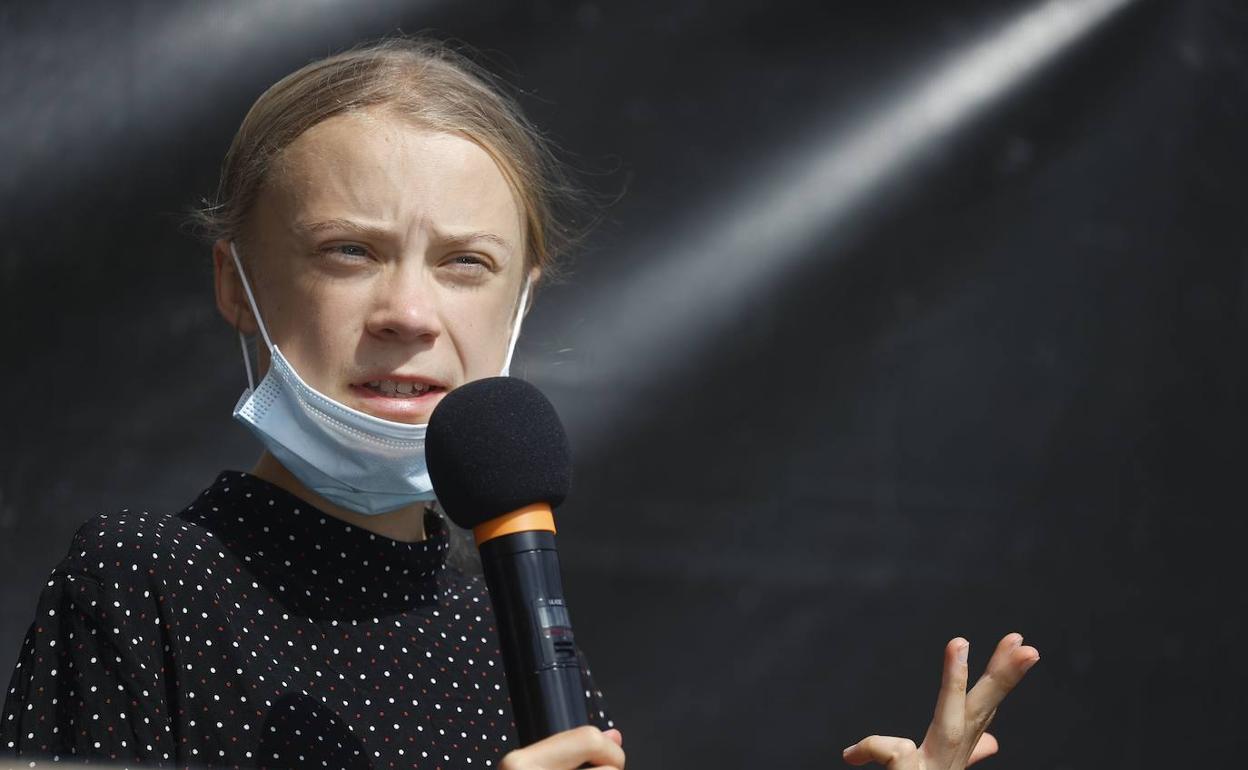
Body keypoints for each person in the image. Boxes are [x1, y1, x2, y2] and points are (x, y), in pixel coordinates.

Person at [1, 37, 1037, 770]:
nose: (408, 310)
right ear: (237, 281)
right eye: (349, 251)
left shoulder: (522, 640)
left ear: (521, 296)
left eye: (464, 263)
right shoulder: (140, 585)